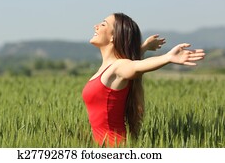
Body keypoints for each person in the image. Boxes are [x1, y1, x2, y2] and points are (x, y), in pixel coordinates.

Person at [82, 12, 205, 147]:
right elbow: (131, 61)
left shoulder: (118, 67)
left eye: (103, 24)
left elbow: (135, 66)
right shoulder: (108, 68)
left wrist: (167, 57)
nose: (96, 26)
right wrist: (144, 47)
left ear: (113, 36)